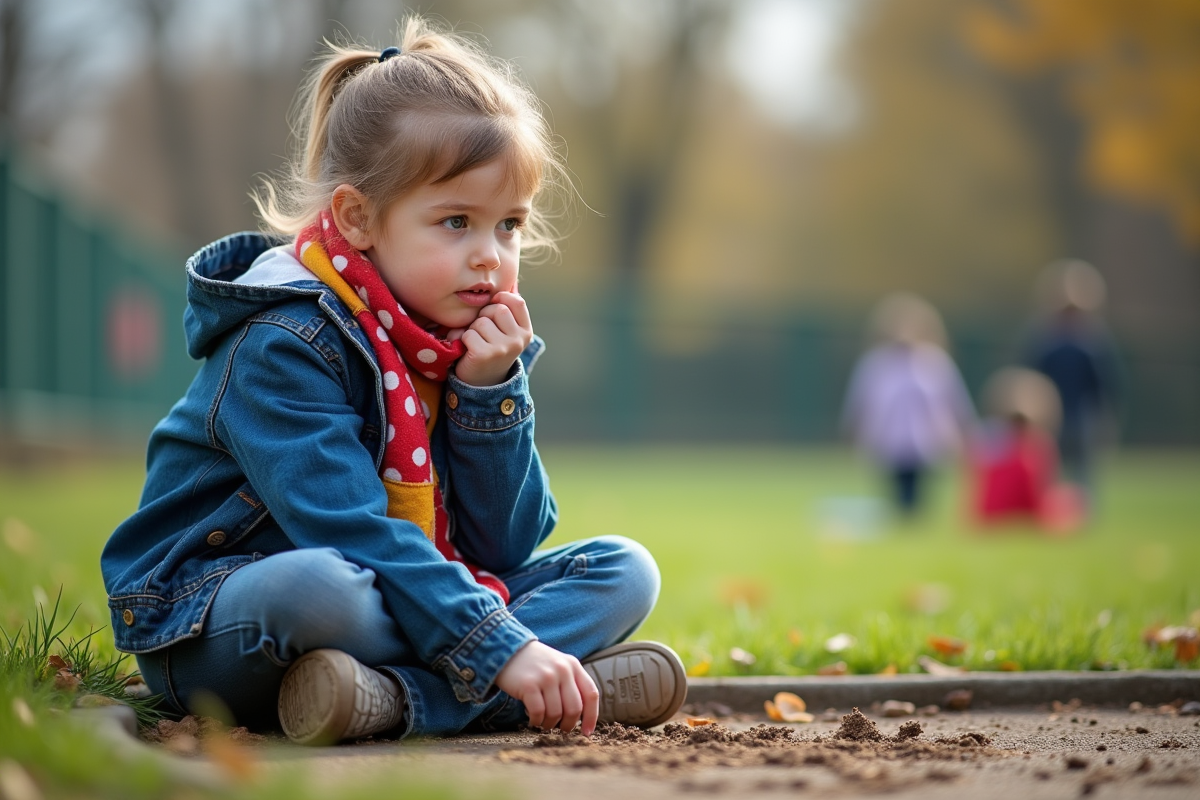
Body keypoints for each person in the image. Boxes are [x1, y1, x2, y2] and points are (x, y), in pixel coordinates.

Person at [100, 18, 686, 746]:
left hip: (393, 599)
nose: (489, 257)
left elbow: (502, 550)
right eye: (456, 222)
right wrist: (505, 645)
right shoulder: (281, 341)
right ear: (359, 218)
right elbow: (351, 533)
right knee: (321, 588)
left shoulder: (454, 343)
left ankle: (391, 699)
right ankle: (521, 682)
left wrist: (487, 393)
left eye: (509, 226)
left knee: (625, 570)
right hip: (225, 621)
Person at [841, 293, 976, 517]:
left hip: (926, 443)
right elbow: (859, 402)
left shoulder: (935, 362)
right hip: (888, 442)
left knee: (918, 498)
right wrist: (853, 433)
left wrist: (966, 435)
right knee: (896, 498)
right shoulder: (875, 363)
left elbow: (955, 403)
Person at [1024, 259, 1118, 503]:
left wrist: (1103, 415)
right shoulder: (1047, 342)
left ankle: (1081, 512)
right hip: (1051, 418)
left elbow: (1101, 384)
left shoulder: (1090, 343)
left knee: (1082, 472)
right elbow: (1034, 381)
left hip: (1080, 416)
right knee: (1051, 470)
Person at [968, 367, 1083, 533]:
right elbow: (1038, 492)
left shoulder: (989, 439)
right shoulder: (1039, 447)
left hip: (991, 514)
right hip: (1020, 511)